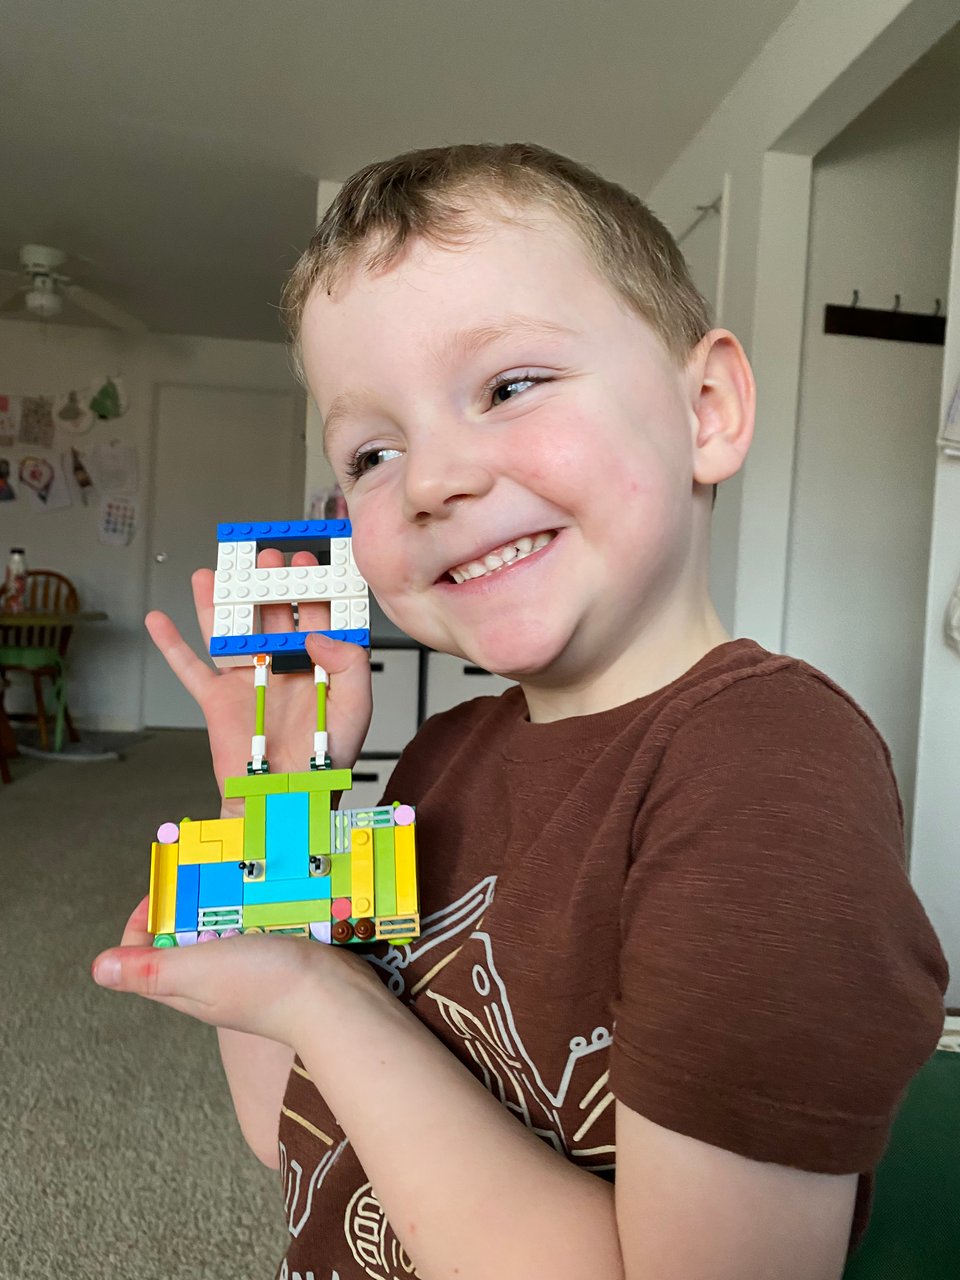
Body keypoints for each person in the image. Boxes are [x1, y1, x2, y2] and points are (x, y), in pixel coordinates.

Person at [93, 143, 948, 1280]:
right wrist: (275, 802)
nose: (430, 480)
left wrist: (319, 992)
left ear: (706, 410)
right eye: (372, 451)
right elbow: (294, 1131)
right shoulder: (441, 758)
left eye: (508, 386)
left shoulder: (769, 773)